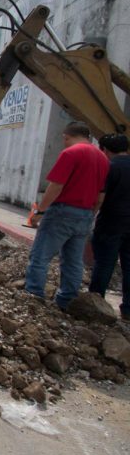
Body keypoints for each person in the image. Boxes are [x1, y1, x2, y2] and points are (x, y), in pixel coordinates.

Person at [25, 121, 109, 309]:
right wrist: (90, 213)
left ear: (66, 136)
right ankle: (67, 300)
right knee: (73, 261)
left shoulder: (71, 153)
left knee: (40, 256)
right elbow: (101, 195)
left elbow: (56, 186)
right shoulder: (103, 159)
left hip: (62, 212)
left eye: (64, 139)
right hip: (86, 214)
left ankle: (33, 297)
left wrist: (40, 212)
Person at [89, 134, 130, 320]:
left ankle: (96, 303)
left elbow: (100, 197)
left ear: (104, 149)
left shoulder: (109, 168)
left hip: (111, 221)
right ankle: (128, 309)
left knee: (104, 264)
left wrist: (90, 215)